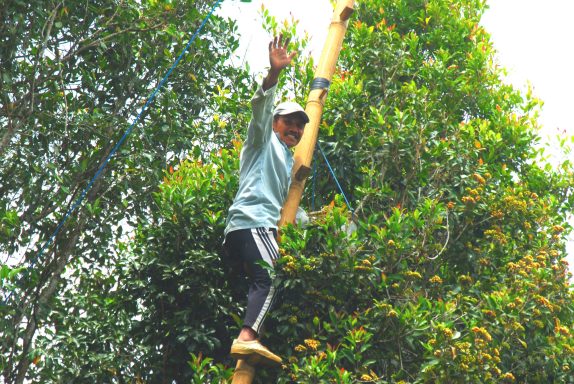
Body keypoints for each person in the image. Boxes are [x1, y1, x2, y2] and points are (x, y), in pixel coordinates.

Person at [223, 35, 309, 365]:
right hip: (251, 223)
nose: (295, 130)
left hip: (248, 231)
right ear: (276, 123)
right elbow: (259, 107)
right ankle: (247, 338)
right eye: (289, 122)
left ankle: (249, 336)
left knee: (266, 278)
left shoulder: (287, 161)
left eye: (300, 127)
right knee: (272, 275)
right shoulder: (261, 141)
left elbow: (290, 210)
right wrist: (273, 74)